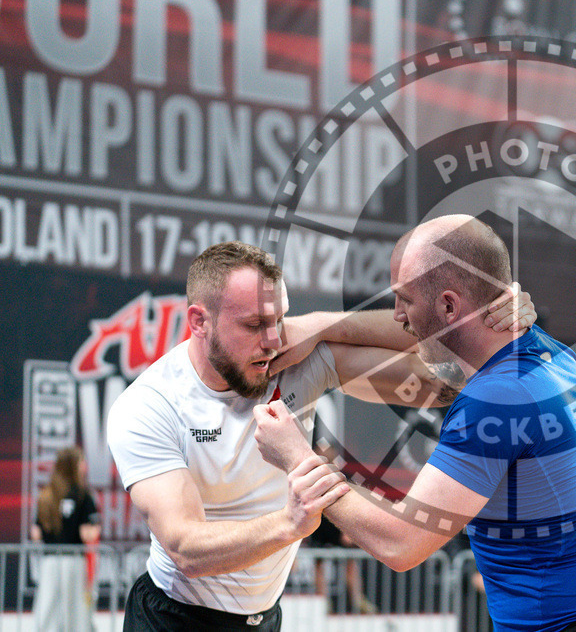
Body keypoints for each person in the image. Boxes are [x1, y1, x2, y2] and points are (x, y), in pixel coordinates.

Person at [254, 214, 576, 632]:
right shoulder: (551, 354)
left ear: (449, 305)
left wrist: (297, 457)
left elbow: (401, 542)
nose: (396, 316)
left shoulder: (494, 400)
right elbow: (432, 337)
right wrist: (320, 327)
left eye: (403, 300)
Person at [107, 241, 531, 631]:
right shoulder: (150, 404)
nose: (272, 340)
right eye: (254, 324)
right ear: (199, 322)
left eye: (279, 320)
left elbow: (449, 381)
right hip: (172, 617)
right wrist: (290, 522)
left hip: (263, 619)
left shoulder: (292, 360)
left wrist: (487, 326)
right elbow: (186, 548)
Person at [31, 445, 101, 632]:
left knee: (47, 610)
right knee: (76, 612)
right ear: (73, 465)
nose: (84, 465)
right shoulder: (83, 495)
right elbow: (88, 534)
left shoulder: (47, 494)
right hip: (73, 559)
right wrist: (94, 528)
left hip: (50, 559)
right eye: (81, 461)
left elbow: (36, 533)